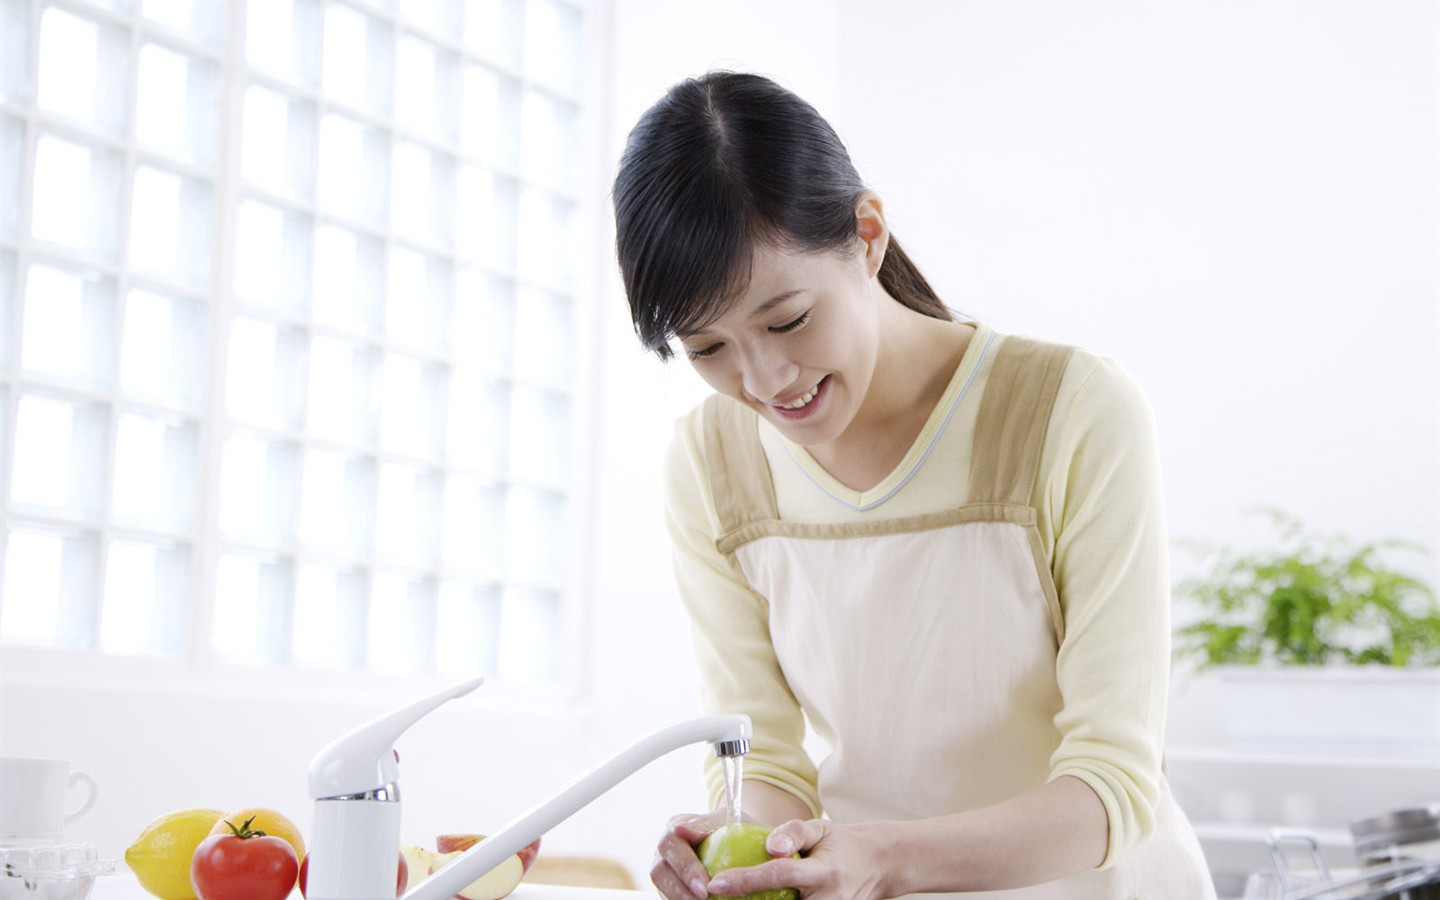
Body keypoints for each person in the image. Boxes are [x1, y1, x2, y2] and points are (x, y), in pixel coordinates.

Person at [612, 71, 1216, 900]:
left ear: (867, 235)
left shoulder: (1070, 411)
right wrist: (748, 848)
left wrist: (883, 860)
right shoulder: (713, 463)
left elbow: (1115, 784)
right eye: (708, 349)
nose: (766, 379)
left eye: (787, 320)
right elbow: (766, 758)